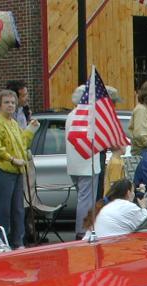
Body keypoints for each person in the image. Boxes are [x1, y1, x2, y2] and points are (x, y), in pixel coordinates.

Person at [0, 88, 38, 249]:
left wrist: (30, 130)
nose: (10, 105)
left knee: (18, 209)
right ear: (0, 105)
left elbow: (22, 143)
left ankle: (18, 241)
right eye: (6, 102)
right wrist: (12, 159)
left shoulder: (13, 123)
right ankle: (3, 242)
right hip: (2, 171)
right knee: (4, 210)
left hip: (16, 172)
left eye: (13, 103)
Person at [65, 85, 101, 239]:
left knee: (83, 198)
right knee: (86, 199)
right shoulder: (87, 116)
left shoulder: (71, 115)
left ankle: (83, 228)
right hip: (87, 163)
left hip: (75, 164)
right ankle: (82, 230)